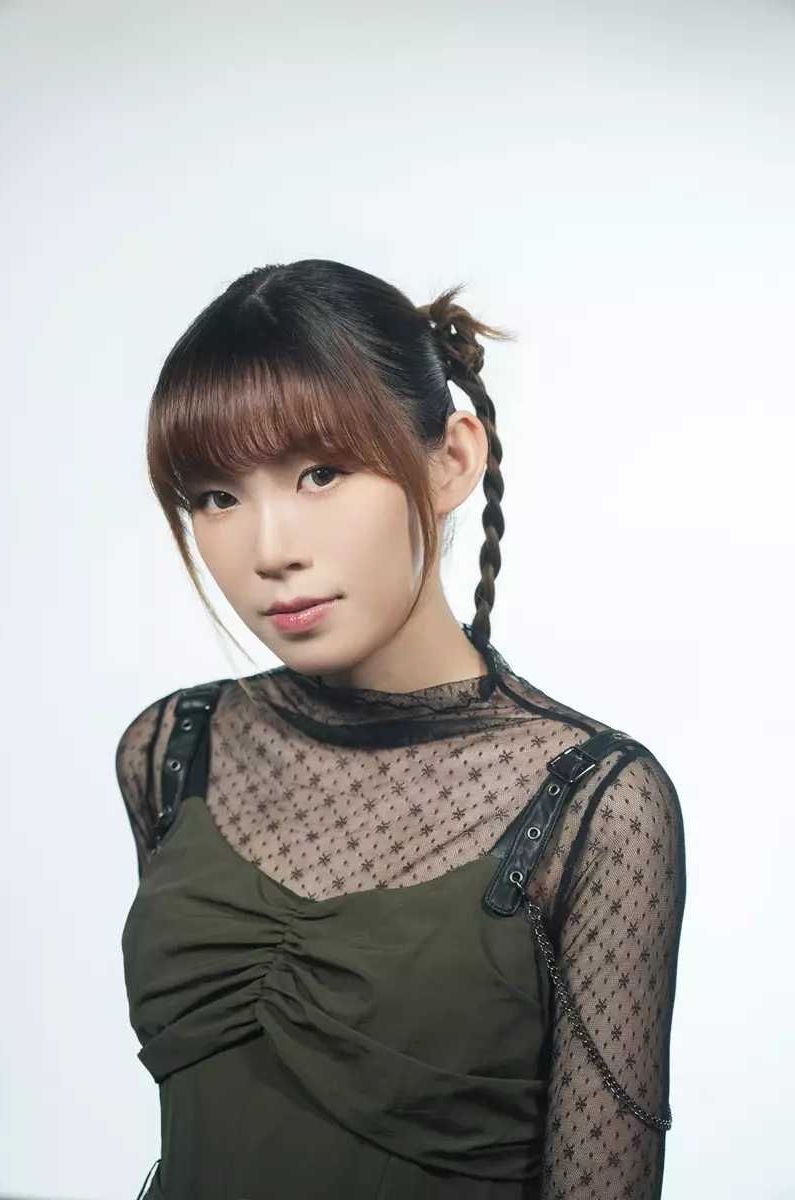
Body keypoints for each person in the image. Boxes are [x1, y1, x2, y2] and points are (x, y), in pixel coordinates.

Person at [116, 259, 686, 1200]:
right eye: (217, 496)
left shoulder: (595, 803)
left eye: (322, 473)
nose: (269, 550)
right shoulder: (175, 749)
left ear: (450, 461)